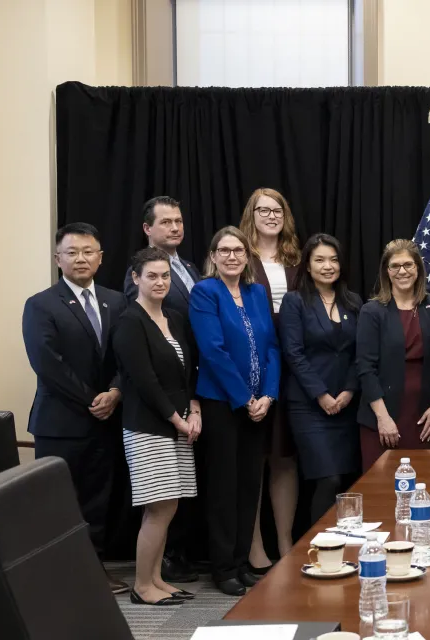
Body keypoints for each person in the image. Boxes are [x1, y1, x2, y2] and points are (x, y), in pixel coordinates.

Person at [22, 222, 129, 594]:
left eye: (88, 252)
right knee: (58, 503)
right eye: (72, 252)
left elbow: (127, 356)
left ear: (100, 258)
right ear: (57, 259)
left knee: (98, 501)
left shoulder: (117, 301)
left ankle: (93, 569)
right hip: (60, 424)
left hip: (106, 419)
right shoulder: (41, 304)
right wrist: (91, 399)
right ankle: (56, 577)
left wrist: (115, 392)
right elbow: (47, 363)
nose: (80, 258)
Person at [189, 226, 281, 596]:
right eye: (223, 250)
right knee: (224, 488)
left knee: (249, 486)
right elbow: (212, 351)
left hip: (259, 406)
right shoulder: (204, 292)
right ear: (213, 256)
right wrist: (245, 399)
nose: (231, 256)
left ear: (247, 257)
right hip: (222, 405)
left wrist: (268, 396)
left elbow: (273, 348)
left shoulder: (257, 292)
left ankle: (241, 561)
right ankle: (223, 566)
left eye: (238, 250)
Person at [112, 247, 201, 606]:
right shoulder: (129, 321)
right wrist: (178, 419)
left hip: (177, 423)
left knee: (169, 506)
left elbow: (188, 371)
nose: (160, 282)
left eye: (165, 275)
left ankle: (157, 579)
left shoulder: (174, 317)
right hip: (148, 426)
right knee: (158, 507)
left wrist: (193, 408)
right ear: (136, 278)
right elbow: (144, 381)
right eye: (152, 275)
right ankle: (141, 585)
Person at [238, 187, 301, 574]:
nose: (271, 216)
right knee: (254, 457)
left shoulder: (296, 257)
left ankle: (285, 539)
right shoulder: (238, 255)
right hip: (252, 367)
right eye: (263, 210)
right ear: (252, 214)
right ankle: (254, 542)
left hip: (292, 367)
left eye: (277, 209)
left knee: (284, 457)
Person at [279, 234, 363, 519]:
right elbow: (293, 353)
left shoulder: (353, 301)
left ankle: (344, 553)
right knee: (329, 480)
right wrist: (321, 395)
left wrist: (350, 391)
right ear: (308, 265)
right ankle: (318, 553)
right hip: (309, 406)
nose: (328, 266)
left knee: (347, 484)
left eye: (334, 259)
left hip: (347, 406)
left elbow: (359, 353)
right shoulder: (294, 302)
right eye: (320, 260)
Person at [358, 240, 430, 470]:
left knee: (426, 487)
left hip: (426, 416)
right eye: (395, 266)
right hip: (383, 415)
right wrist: (382, 417)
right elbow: (365, 368)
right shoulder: (372, 311)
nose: (402, 271)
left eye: (408, 265)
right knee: (382, 489)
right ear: (386, 272)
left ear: (418, 268)